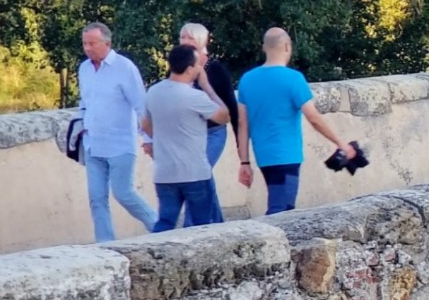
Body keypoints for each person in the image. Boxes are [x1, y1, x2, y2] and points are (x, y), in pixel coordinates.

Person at [235, 28, 359, 215]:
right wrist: (341, 144)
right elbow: (314, 119)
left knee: (279, 203)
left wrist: (244, 162)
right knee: (282, 210)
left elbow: (242, 124)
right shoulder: (294, 79)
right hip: (287, 154)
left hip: (263, 154)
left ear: (264, 48)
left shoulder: (247, 80)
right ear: (287, 46)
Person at [76, 22, 155, 242]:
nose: (88, 48)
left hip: (120, 142)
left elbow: (141, 105)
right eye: (85, 43)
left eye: (92, 43)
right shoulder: (84, 69)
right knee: (96, 198)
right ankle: (105, 243)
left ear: (107, 43)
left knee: (123, 193)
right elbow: (85, 102)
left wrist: (148, 138)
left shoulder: (124, 67)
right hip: (93, 143)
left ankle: (159, 226)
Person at [141, 44, 228, 231]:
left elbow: (145, 125)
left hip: (165, 172)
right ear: (190, 69)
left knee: (165, 221)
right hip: (194, 172)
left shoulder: (153, 92)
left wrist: (165, 138)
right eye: (198, 65)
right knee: (201, 226)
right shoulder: (195, 96)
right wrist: (207, 86)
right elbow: (223, 116)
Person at [179, 22, 239, 170]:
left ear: (201, 41)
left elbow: (232, 107)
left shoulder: (216, 69)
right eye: (182, 37)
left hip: (212, 132)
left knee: (200, 171)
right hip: (187, 134)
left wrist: (241, 148)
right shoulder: (177, 67)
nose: (185, 41)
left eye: (190, 38)